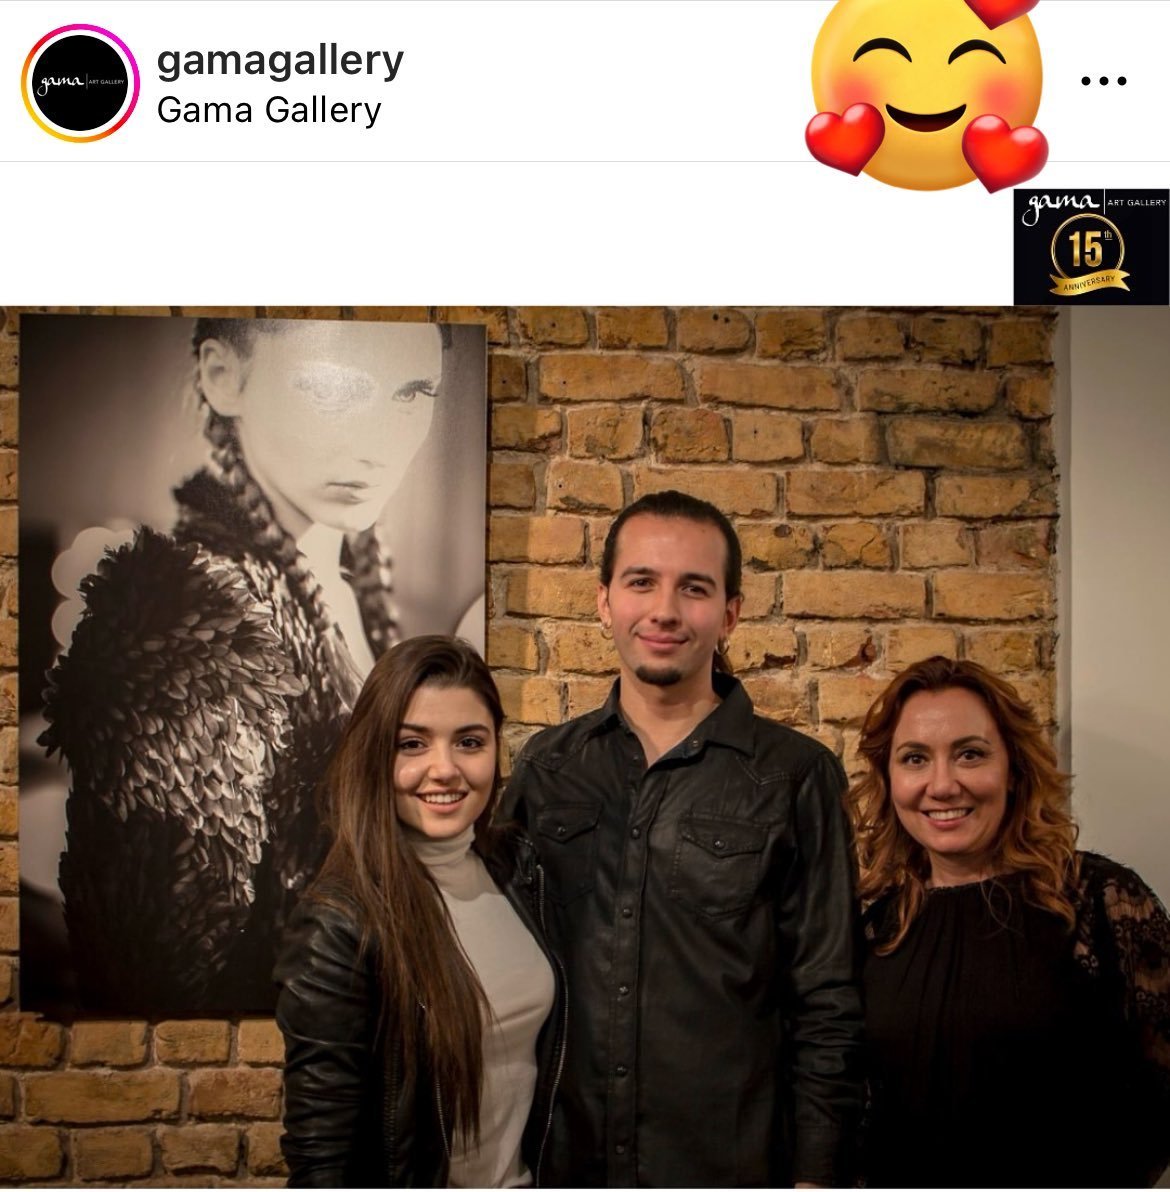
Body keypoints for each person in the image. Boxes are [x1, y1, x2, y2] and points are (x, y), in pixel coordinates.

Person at [39, 317, 448, 1014]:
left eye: (411, 394)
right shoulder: (184, 621)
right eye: (331, 388)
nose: (378, 442)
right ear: (223, 377)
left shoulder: (354, 575)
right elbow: (163, 979)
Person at [504, 489, 864, 1187]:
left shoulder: (795, 776)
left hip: (729, 1169)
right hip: (564, 1166)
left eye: (694, 588)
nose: (665, 610)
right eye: (641, 582)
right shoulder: (546, 769)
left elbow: (827, 998)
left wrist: (817, 1174)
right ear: (605, 601)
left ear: (730, 613)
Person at [849, 655, 1170, 1188]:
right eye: (915, 758)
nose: (942, 785)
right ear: (889, 779)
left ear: (1015, 770)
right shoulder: (876, 925)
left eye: (970, 754)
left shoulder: (1101, 900)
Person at [275, 635, 565, 1187]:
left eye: (469, 742)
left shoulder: (515, 868)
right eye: (412, 744)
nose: (445, 769)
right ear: (375, 755)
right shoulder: (338, 924)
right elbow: (321, 1159)